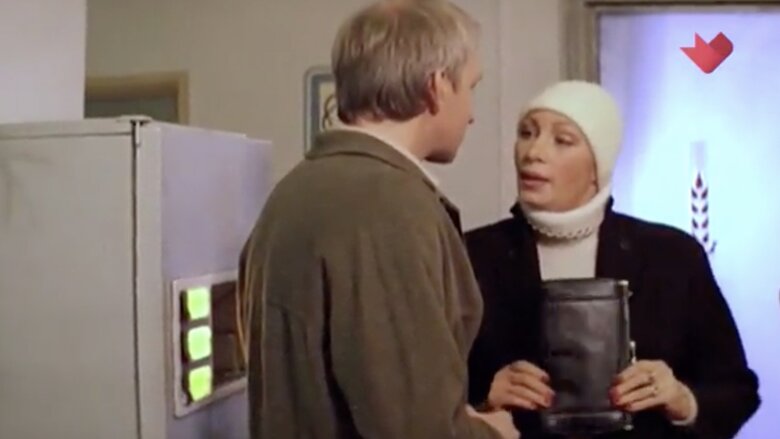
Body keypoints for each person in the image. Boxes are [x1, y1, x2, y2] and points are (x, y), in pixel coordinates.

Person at [239, 1, 516, 438]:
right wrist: (494, 433)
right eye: (470, 87)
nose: (472, 113)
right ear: (437, 87)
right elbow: (416, 429)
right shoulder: (388, 208)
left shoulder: (293, 192)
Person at [465, 80, 760, 439]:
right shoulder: (471, 254)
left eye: (562, 140)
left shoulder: (672, 255)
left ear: (598, 165)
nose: (533, 152)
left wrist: (683, 400)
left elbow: (735, 390)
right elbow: (421, 389)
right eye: (527, 133)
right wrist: (479, 399)